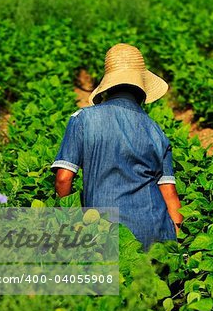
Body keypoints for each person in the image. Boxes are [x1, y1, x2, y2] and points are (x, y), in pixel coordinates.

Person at [51, 43, 183, 251]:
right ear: (142, 90)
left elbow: (63, 178)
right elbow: (170, 195)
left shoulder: (83, 119)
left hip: (104, 235)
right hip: (155, 236)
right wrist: (180, 248)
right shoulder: (155, 130)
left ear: (107, 88)